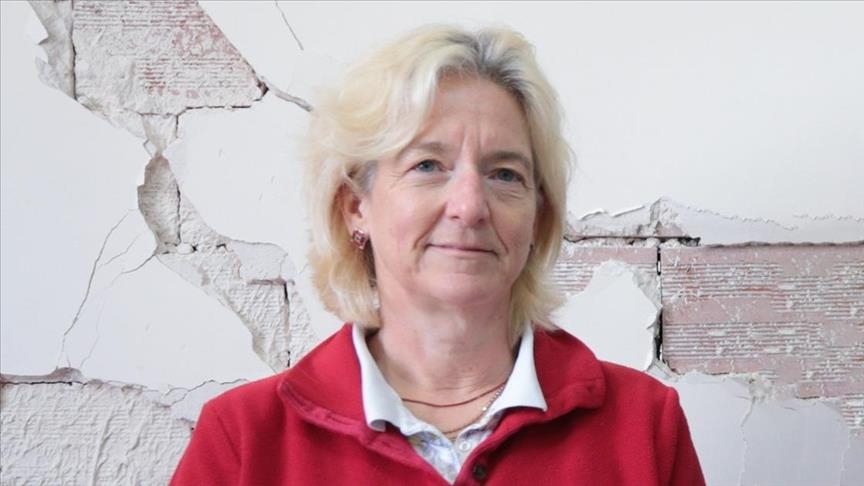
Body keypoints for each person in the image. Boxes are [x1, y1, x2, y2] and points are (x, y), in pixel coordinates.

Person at [171, 25, 705, 485]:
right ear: (355, 207)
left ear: (538, 218)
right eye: (427, 165)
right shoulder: (243, 439)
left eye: (505, 174)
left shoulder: (644, 426)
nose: (470, 206)